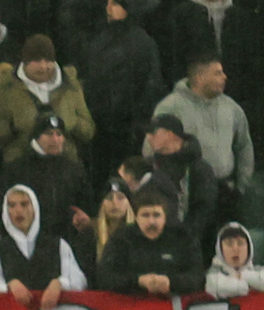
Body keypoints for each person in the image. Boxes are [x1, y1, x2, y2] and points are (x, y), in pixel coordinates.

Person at [150, 55, 253, 225]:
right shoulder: (170, 107)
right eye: (217, 73)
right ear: (199, 77)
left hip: (226, 193)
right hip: (190, 195)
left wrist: (241, 187)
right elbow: (152, 148)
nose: (224, 77)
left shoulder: (232, 108)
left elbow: (244, 147)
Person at [77, 0, 164, 185]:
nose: (108, 8)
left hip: (129, 133)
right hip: (99, 131)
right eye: (107, 2)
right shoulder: (98, 40)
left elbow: (151, 88)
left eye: (115, 3)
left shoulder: (144, 44)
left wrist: (136, 123)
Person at [0, 34, 94, 166]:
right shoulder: (5, 88)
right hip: (21, 166)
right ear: (25, 62)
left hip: (65, 165)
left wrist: (72, 122)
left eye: (48, 61)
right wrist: (12, 126)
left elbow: (89, 131)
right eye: (37, 61)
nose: (43, 67)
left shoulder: (70, 86)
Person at [0, 184, 88, 308]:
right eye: (11, 205)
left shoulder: (58, 244)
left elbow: (79, 280)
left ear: (35, 208)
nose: (18, 210)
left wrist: (59, 284)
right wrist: (8, 286)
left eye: (24, 204)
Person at [0, 113, 94, 240]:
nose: (55, 139)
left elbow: (85, 202)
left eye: (59, 134)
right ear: (37, 137)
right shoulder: (17, 169)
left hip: (67, 239)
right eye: (49, 134)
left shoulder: (73, 169)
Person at [96, 188, 205, 296]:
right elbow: (105, 277)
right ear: (136, 218)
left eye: (156, 215)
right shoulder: (122, 238)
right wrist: (138, 281)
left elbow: (198, 276)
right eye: (145, 215)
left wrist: (171, 282)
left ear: (165, 218)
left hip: (172, 302)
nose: (151, 222)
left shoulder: (182, 237)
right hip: (131, 303)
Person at [145, 114, 218, 246]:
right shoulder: (149, 166)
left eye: (154, 132)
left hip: (188, 244)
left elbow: (203, 210)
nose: (149, 137)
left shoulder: (199, 169)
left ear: (171, 135)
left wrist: (183, 239)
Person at [205, 222, 264, 298]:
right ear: (220, 249)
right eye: (229, 244)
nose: (235, 249)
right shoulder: (215, 271)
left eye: (240, 243)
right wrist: (245, 285)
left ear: (249, 248)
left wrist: (243, 275)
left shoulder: (255, 269)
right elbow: (215, 286)